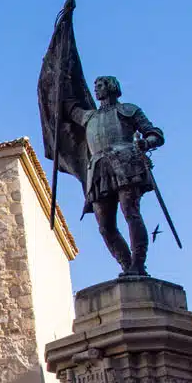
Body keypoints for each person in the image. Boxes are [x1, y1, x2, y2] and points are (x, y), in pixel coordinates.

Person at [67, 76, 165, 277]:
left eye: (101, 85)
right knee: (105, 226)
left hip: (125, 164)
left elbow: (154, 134)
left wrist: (146, 143)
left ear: (112, 87)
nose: (97, 90)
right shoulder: (89, 117)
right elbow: (68, 108)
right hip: (98, 170)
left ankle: (138, 264)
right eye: (95, 86)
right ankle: (126, 264)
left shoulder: (128, 110)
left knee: (131, 213)